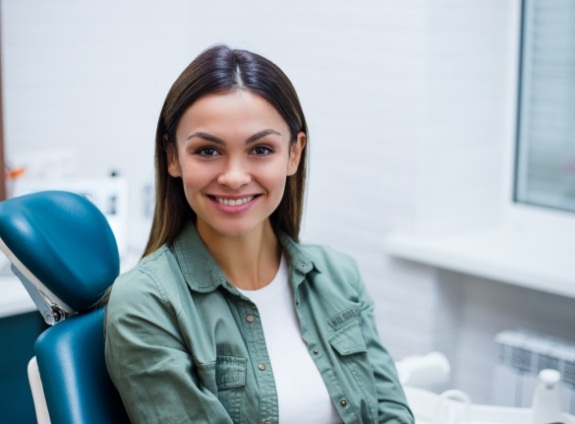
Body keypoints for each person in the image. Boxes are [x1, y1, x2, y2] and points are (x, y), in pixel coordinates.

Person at [104, 44, 414, 424]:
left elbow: (392, 414)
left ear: (294, 153)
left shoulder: (339, 275)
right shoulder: (145, 303)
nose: (234, 177)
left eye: (261, 149)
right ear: (172, 157)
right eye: (207, 151)